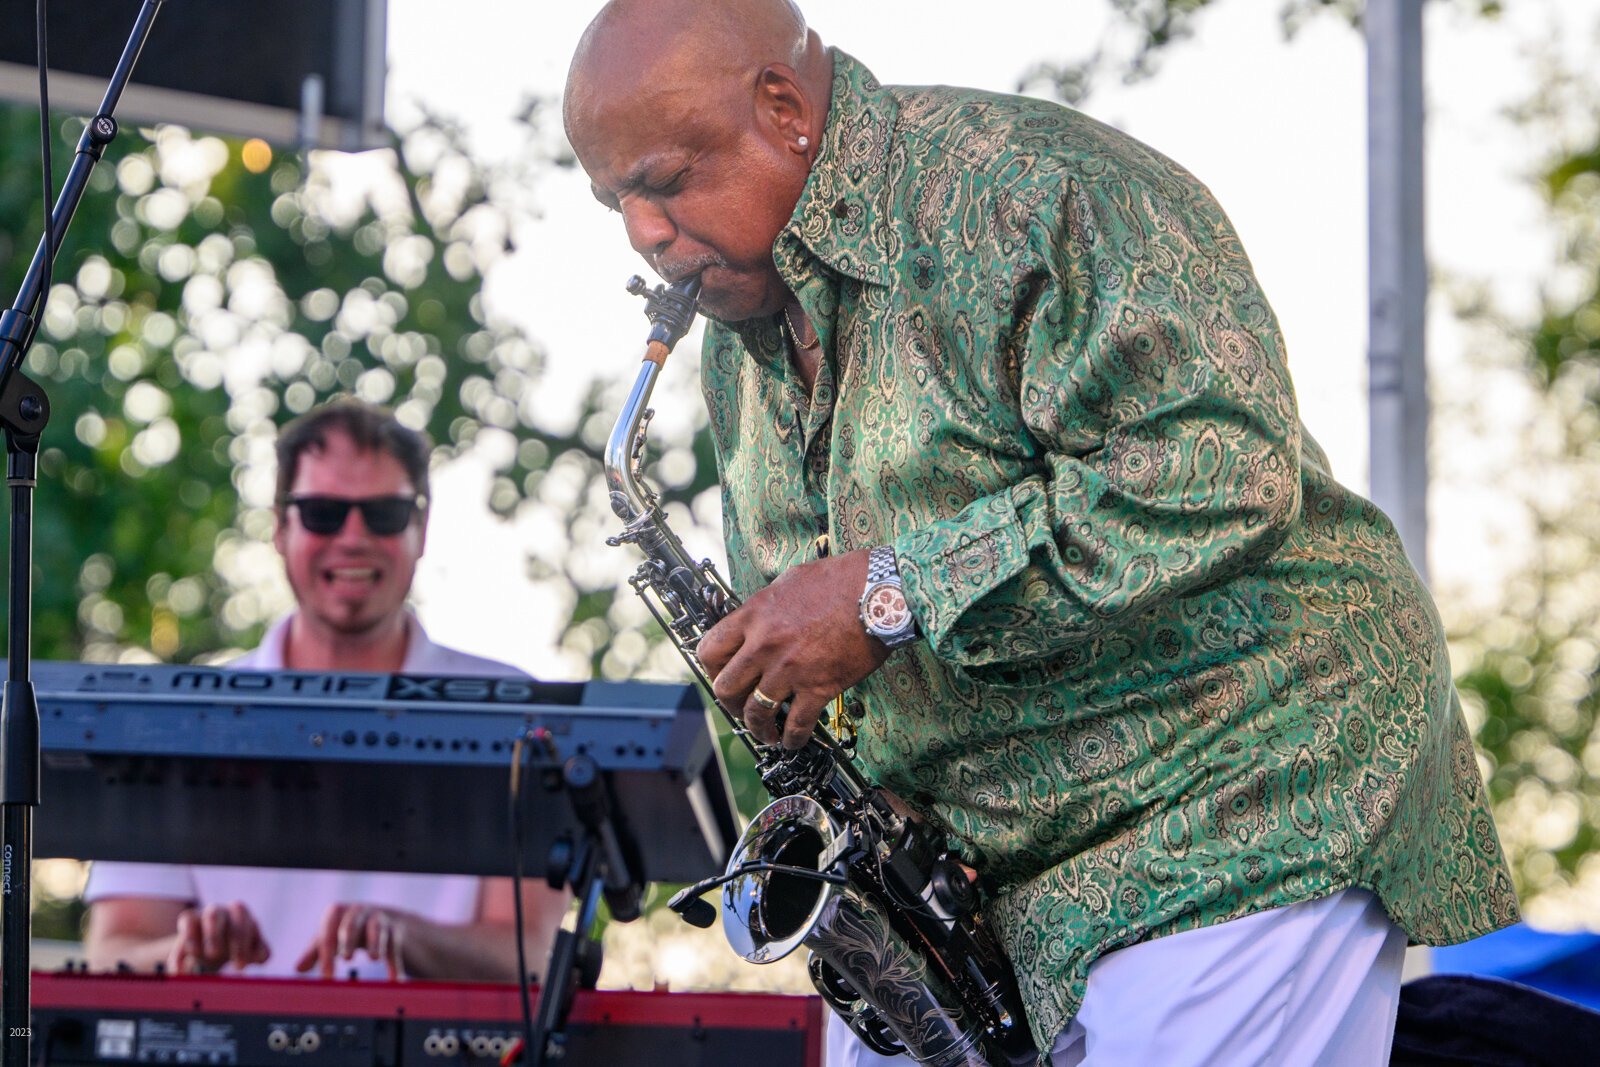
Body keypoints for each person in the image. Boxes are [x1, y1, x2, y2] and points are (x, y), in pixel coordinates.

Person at [563, 2, 1519, 1064]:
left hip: (1234, 793)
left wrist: (886, 593)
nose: (644, 233)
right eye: (617, 203)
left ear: (782, 110)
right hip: (994, 862)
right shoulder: (737, 337)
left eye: (664, 181)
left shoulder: (1037, 192)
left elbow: (1217, 470)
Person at [83, 399, 570, 981]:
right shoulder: (181, 718)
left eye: (385, 514)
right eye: (322, 513)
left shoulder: (514, 710)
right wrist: (186, 952)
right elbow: (114, 950)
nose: (354, 538)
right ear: (279, 529)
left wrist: (404, 937)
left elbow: (530, 957)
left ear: (422, 529)